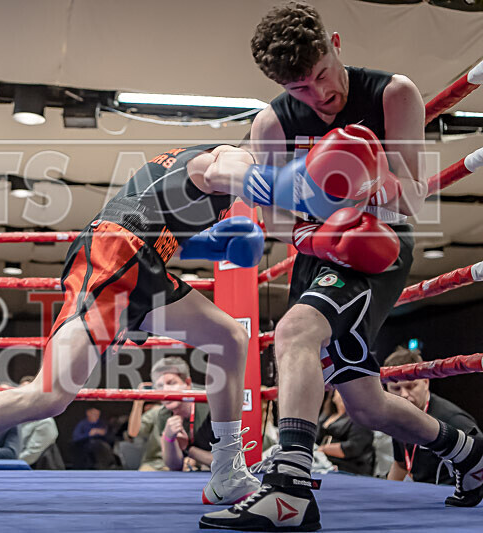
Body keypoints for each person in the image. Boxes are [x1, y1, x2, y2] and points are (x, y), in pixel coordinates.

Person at [0, 113, 272, 511]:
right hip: (116, 253)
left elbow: (167, 235)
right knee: (50, 395)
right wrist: (291, 188)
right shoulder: (236, 156)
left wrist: (216, 245)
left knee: (229, 337)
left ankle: (226, 471)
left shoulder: (195, 175)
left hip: (142, 263)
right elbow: (226, 174)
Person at [201, 3, 483, 530]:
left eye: (323, 76)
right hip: (316, 255)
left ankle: (289, 492)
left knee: (294, 332)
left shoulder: (392, 94)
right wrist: (307, 227)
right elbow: (276, 218)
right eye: (302, 88)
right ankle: (470, 455)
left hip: (376, 243)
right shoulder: (273, 122)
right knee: (365, 405)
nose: (320, 94)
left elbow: (417, 198)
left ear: (335, 43)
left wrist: (372, 176)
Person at [384, 347, 480, 485]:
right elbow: (401, 464)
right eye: (396, 389)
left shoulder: (454, 419)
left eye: (411, 386)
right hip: (422, 493)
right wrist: (388, 494)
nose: (404, 394)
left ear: (426, 382)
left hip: (452, 498)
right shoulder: (398, 417)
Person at [126, 357, 215, 476]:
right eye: (159, 386)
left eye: (171, 383)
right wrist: (169, 439)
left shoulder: (211, 406)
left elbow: (227, 463)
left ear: (187, 384)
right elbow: (174, 466)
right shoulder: (164, 414)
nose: (165, 391)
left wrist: (188, 449)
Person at [316, 390, 374, 476]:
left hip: (349, 466)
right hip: (322, 462)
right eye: (340, 391)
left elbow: (353, 447)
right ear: (333, 396)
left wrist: (322, 449)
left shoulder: (360, 420)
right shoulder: (326, 416)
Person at [16, 376, 63, 469]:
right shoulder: (15, 419)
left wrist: (5, 462)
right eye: (20, 392)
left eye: (28, 392)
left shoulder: (45, 422)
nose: (23, 396)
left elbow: (31, 456)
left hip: (37, 475)